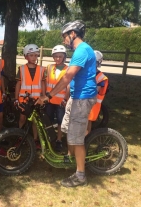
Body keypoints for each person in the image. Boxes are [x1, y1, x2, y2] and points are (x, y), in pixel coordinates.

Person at [36, 20, 97, 187]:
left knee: (77, 139)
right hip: (76, 96)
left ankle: (80, 176)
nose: (64, 40)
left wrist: (48, 95)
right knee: (66, 127)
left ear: (73, 34)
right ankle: (71, 158)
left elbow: (67, 77)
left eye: (65, 37)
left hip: (82, 98)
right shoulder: (80, 51)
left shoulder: (82, 50)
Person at [15, 44, 46, 150]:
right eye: (31, 55)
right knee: (22, 118)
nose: (33, 57)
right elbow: (18, 84)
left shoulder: (42, 69)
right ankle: (20, 137)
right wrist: (16, 99)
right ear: (26, 57)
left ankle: (35, 139)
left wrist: (43, 96)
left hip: (36, 100)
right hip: (24, 99)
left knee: (35, 120)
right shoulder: (21, 69)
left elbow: (42, 84)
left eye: (35, 55)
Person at [45, 45, 69, 152]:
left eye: (60, 56)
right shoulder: (49, 67)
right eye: (56, 56)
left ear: (64, 57)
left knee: (60, 121)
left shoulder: (68, 69)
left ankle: (59, 140)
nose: (58, 58)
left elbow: (68, 85)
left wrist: (66, 98)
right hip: (49, 100)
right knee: (48, 120)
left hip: (60, 102)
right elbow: (46, 82)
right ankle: (49, 138)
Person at [87, 50, 109, 134]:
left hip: (92, 105)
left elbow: (95, 91)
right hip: (82, 102)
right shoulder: (85, 73)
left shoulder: (101, 77)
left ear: (98, 63)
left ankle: (85, 141)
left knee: (87, 123)